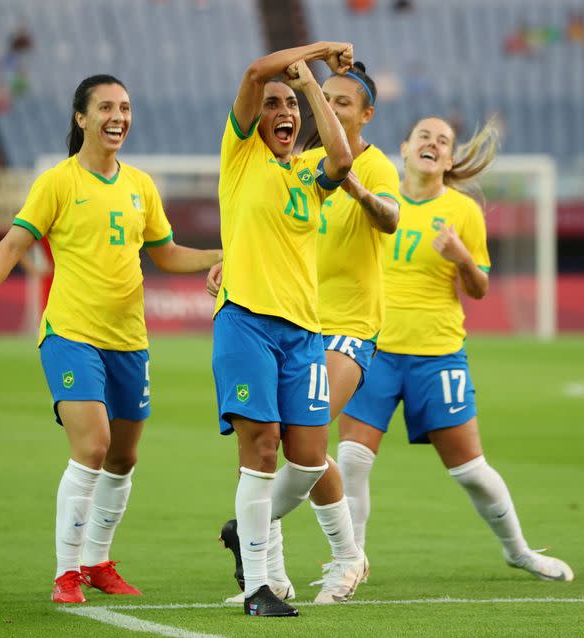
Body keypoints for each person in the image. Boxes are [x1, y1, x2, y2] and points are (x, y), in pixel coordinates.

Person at [0, 74, 223, 604]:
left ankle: (98, 561)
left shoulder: (141, 185)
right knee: (94, 445)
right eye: (105, 107)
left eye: (124, 106)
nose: (117, 116)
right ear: (81, 118)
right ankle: (65, 573)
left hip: (130, 340)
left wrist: (220, 255)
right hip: (71, 335)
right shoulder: (58, 182)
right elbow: (13, 245)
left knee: (123, 458)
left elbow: (165, 254)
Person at [328, 116, 574, 582]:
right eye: (424, 136)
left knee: (471, 470)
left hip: (437, 354)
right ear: (403, 148)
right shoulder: (378, 200)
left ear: (449, 158)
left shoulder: (462, 212)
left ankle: (518, 550)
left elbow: (479, 288)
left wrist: (462, 256)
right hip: (372, 351)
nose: (433, 144)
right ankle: (350, 562)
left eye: (443, 141)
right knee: (353, 461)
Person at [212, 62, 401, 605]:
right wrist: (233, 256)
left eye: (342, 102)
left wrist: (309, 82)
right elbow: (260, 220)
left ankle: (317, 550)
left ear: (364, 113)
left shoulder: (373, 166)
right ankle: (268, 572)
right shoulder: (292, 164)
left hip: (344, 325)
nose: (328, 108)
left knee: (309, 453)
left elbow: (388, 217)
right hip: (282, 320)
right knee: (271, 448)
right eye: (328, 100)